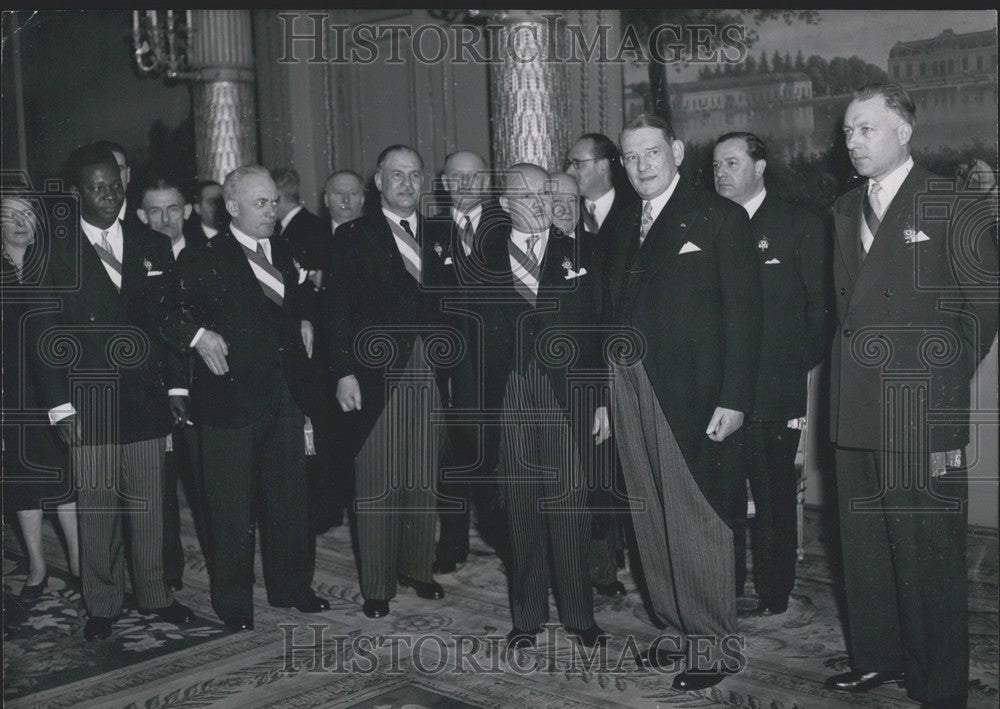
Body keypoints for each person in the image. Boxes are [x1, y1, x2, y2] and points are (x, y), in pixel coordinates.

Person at [824, 82, 998, 707]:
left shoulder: (952, 202)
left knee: (928, 556)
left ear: (904, 130)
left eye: (866, 128)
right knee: (863, 548)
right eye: (847, 131)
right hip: (855, 409)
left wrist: (942, 412)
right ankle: (877, 658)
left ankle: (938, 683)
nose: (853, 141)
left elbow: (981, 310)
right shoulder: (844, 209)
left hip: (918, 410)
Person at [603, 114, 762, 690]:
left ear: (674, 150)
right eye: (630, 157)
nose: (641, 167)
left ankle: (712, 644)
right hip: (629, 386)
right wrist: (605, 395)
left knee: (698, 518)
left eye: (651, 154)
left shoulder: (720, 217)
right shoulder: (621, 223)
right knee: (649, 512)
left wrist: (735, 398)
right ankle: (674, 629)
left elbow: (746, 319)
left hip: (697, 396)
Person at [152, 165, 330, 631]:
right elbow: (157, 309)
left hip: (287, 396)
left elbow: (299, 301)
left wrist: (305, 319)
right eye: (260, 203)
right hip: (230, 400)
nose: (272, 211)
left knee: (290, 499)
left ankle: (292, 586)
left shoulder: (285, 249)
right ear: (231, 207)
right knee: (231, 509)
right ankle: (234, 604)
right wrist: (196, 335)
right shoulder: (204, 257)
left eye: (274, 202)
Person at [33, 144, 197, 641]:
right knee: (99, 507)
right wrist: (59, 407)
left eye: (115, 184)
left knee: (148, 504)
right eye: (97, 187)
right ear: (78, 192)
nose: (109, 195)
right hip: (89, 401)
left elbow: (169, 319)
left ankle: (154, 595)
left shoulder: (150, 242)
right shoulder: (55, 249)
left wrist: (177, 384)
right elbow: (43, 333)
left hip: (146, 394)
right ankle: (101, 604)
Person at [481, 163, 608, 650]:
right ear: (506, 203)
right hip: (510, 393)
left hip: (565, 393)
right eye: (528, 197)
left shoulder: (582, 250)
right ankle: (527, 617)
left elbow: (599, 330)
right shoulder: (484, 253)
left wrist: (599, 399)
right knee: (520, 503)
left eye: (545, 195)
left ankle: (580, 616)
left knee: (569, 503)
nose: (541, 205)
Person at [322, 144, 449, 619]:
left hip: (432, 372)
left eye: (414, 174)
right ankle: (377, 584)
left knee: (422, 476)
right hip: (374, 376)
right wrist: (343, 374)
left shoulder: (442, 234)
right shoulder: (353, 236)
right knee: (377, 480)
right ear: (378, 181)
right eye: (396, 175)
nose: (406, 183)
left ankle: (418, 568)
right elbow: (334, 312)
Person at [711, 132, 829, 615]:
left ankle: (774, 594)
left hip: (773, 393)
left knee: (774, 498)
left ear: (760, 168)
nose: (721, 173)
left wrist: (786, 370)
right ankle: (726, 587)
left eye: (732, 163)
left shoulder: (798, 224)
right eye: (716, 164)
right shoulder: (706, 223)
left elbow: (821, 312)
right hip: (716, 391)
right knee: (722, 499)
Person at [423, 149, 511, 574]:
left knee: (500, 453)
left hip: (500, 362)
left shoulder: (509, 225)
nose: (465, 184)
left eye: (474, 176)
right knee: (452, 456)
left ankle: (506, 539)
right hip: (448, 364)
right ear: (443, 183)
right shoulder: (429, 231)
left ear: (487, 182)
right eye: (456, 177)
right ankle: (452, 543)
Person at [550, 170, 626, 598]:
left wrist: (602, 397)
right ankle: (562, 573)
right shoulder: (531, 255)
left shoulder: (599, 250)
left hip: (590, 389)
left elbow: (607, 326)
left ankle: (602, 572)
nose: (562, 209)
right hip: (547, 390)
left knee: (597, 485)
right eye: (553, 200)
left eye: (569, 200)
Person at [1, 194, 80, 603]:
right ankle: (37, 566)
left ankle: (82, 563)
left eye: (26, 214)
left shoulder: (53, 263)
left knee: (63, 477)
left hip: (53, 389)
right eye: (8, 215)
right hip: (9, 392)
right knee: (21, 481)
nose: (19, 222)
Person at [137, 177, 206, 590]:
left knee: (208, 486)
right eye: (156, 211)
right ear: (143, 216)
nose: (166, 219)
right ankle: (167, 572)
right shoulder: (133, 261)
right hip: (154, 388)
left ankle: (223, 567)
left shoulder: (207, 255)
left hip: (204, 386)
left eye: (173, 209)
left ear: (188, 211)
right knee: (160, 489)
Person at [565, 132, 636, 240]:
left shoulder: (634, 208)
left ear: (603, 165)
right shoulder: (565, 211)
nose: (569, 171)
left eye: (577, 163)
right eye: (569, 163)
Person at [95, 140, 142, 233]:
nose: (115, 175)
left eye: (119, 168)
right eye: (107, 169)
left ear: (128, 174)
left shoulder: (146, 218)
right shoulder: (78, 221)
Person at [184, 180, 226, 245]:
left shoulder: (235, 234)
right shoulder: (188, 242)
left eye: (221, 201)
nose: (219, 206)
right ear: (198, 208)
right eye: (212, 202)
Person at [324, 170, 366, 235]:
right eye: (339, 193)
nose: (346, 200)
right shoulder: (311, 238)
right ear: (326, 200)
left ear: (362, 200)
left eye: (353, 193)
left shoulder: (376, 237)